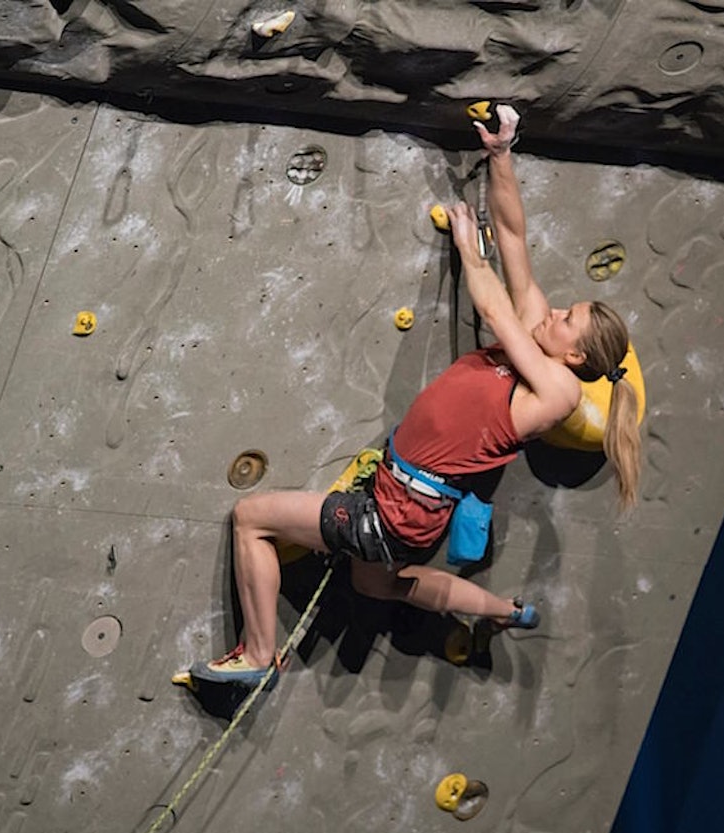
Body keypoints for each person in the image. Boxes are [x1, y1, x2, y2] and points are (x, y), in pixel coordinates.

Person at [193, 105, 642, 685]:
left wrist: (469, 251)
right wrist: (502, 156)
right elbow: (513, 236)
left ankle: (257, 655)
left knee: (251, 518)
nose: (554, 311)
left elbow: (494, 310)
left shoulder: (558, 389)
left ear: (575, 357)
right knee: (376, 584)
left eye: (567, 319)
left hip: (392, 514)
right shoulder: (539, 342)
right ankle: (503, 610)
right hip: (409, 510)